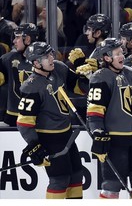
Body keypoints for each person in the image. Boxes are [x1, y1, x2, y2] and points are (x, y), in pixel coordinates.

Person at [87, 38, 132, 199]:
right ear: (106, 57)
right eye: (117, 53)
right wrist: (98, 133)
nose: (122, 56)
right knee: (111, 186)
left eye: (122, 52)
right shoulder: (100, 77)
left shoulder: (131, 73)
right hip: (114, 142)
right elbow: (94, 112)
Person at [17, 41, 88, 198]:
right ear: (36, 62)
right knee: (60, 180)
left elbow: (79, 88)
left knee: (76, 176)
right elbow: (24, 122)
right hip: (49, 139)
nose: (51, 58)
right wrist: (34, 145)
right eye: (46, 56)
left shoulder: (59, 68)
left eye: (51, 54)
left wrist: (85, 76)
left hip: (67, 134)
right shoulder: (31, 87)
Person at [0, 23, 39, 126]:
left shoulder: (45, 60)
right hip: (13, 118)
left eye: (17, 37)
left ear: (27, 39)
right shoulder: (8, 59)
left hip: (38, 118)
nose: (14, 41)